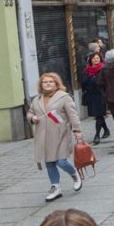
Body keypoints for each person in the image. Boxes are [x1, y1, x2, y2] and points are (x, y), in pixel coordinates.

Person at [27, 73, 84, 202]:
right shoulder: (37, 99)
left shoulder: (64, 97)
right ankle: (55, 187)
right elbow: (30, 112)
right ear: (41, 85)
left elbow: (73, 115)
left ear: (56, 84)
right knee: (49, 162)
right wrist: (32, 118)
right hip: (43, 135)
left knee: (61, 161)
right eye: (44, 82)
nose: (47, 84)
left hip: (60, 133)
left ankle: (74, 174)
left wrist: (77, 130)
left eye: (50, 82)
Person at [81, 52, 110, 146]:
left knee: (99, 115)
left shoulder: (103, 69)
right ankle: (106, 130)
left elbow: (107, 83)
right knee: (98, 115)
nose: (95, 60)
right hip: (91, 96)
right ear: (90, 60)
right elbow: (83, 83)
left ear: (100, 59)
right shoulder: (86, 70)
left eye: (97, 58)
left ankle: (96, 135)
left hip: (101, 95)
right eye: (94, 58)